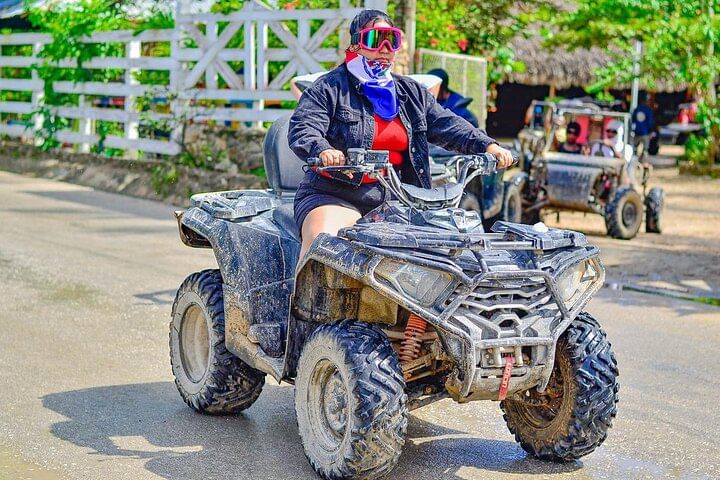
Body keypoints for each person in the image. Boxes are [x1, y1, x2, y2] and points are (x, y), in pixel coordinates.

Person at [288, 9, 513, 260]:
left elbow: (448, 124)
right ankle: (305, 286)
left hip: (400, 199)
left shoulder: (411, 93)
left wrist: (488, 146)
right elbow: (304, 128)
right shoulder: (329, 87)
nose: (385, 49)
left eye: (391, 40)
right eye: (376, 39)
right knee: (323, 244)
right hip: (337, 194)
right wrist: (323, 150)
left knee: (447, 256)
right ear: (356, 44)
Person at [632, 93, 655, 158]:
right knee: (645, 151)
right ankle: (641, 162)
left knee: (634, 151)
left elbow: (633, 120)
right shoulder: (648, 110)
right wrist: (651, 131)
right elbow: (650, 123)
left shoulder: (637, 109)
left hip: (637, 133)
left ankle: (635, 161)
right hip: (645, 133)